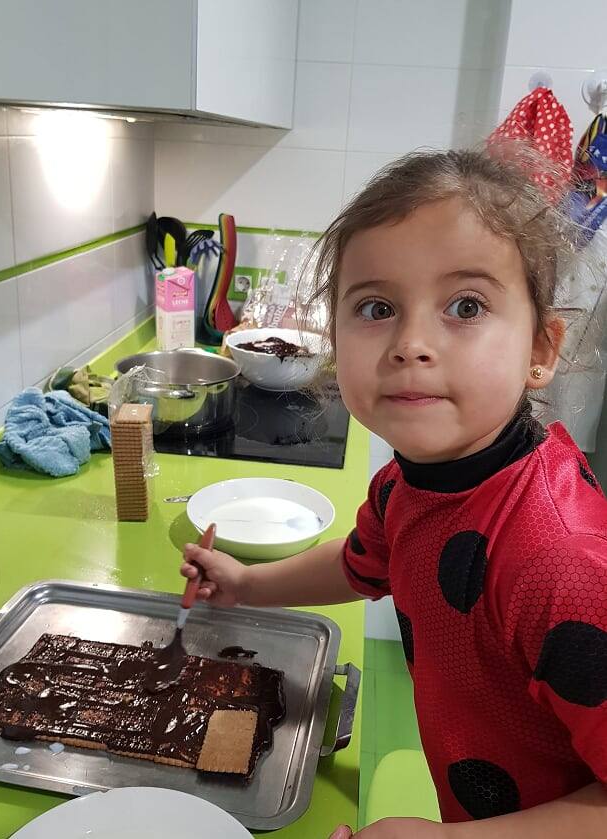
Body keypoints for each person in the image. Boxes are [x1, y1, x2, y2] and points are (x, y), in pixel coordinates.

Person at [181, 147, 607, 838]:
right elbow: (363, 561)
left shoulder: (560, 565)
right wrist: (247, 584)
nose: (410, 342)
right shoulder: (408, 484)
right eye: (376, 306)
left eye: (464, 305)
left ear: (541, 348)